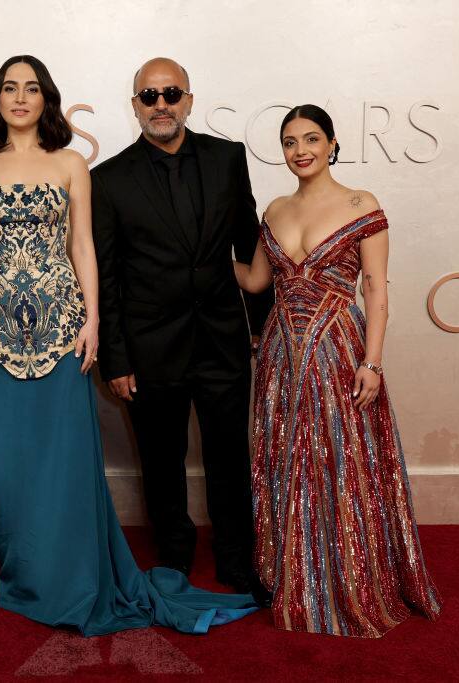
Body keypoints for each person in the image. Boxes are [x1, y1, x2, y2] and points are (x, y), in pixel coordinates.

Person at [0, 55, 257, 636]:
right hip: (9, 334)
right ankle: (39, 568)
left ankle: (227, 561)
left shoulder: (79, 163)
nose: (21, 98)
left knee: (96, 458)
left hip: (96, 332)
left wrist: (92, 323)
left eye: (33, 88)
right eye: (10, 88)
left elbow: (90, 253)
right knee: (20, 461)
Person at [233, 104, 442, 637]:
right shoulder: (276, 209)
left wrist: (372, 361)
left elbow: (375, 288)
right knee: (287, 457)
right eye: (289, 142)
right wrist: (196, 246)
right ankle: (295, 574)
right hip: (281, 351)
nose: (300, 150)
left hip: (339, 348)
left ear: (331, 144)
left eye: (310, 139)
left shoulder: (361, 203)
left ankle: (349, 577)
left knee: (342, 459)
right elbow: (257, 281)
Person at [90, 58, 273, 604]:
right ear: (135, 107)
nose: (161, 104)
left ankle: (237, 559)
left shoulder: (227, 158)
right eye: (149, 96)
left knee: (228, 457)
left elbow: (250, 245)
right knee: (162, 461)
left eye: (171, 93)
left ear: (190, 100)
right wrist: (115, 359)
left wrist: (258, 328)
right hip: (150, 351)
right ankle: (174, 557)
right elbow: (108, 276)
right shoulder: (109, 179)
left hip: (222, 340)